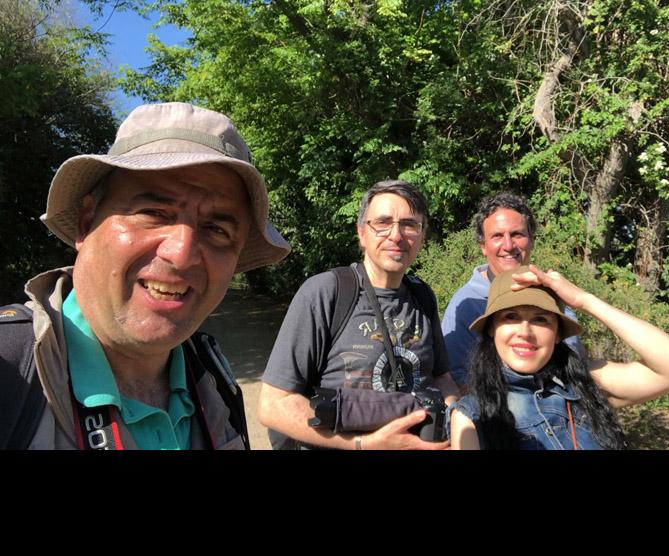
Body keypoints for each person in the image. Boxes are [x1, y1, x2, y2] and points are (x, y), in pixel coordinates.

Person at [1, 102, 290, 450]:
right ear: (86, 223)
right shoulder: (10, 373)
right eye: (153, 213)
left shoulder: (211, 375)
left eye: (216, 229)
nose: (181, 253)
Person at [258, 180, 459, 450]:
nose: (396, 235)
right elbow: (273, 404)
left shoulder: (422, 296)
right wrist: (364, 443)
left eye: (409, 224)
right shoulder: (326, 293)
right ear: (362, 233)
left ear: (422, 236)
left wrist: (452, 420)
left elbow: (442, 379)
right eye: (383, 223)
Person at [449, 266, 669, 450]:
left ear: (558, 333)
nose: (525, 332)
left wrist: (584, 300)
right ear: (492, 329)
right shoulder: (473, 415)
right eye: (511, 317)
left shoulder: (586, 385)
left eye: (540, 319)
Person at [442, 192, 583, 390]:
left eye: (517, 234)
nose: (508, 246)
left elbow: (577, 367)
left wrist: (583, 300)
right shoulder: (466, 304)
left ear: (531, 240)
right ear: (483, 246)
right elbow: (456, 379)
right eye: (497, 236)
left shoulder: (553, 294)